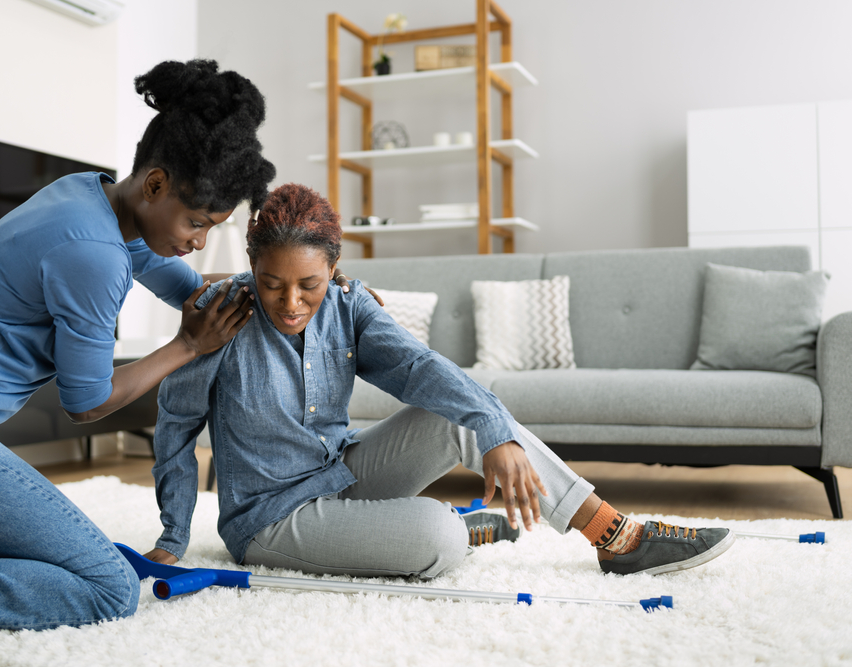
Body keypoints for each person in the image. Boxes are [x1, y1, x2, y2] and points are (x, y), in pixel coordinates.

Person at [0, 59, 278, 662]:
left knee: (39, 555)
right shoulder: (95, 253)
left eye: (212, 227)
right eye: (196, 222)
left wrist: (301, 285)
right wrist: (187, 346)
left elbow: (190, 288)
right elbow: (87, 402)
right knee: (103, 586)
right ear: (155, 185)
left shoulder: (95, 196)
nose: (199, 240)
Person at [146, 183, 735, 583]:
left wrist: (493, 428)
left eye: (310, 285)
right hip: (271, 518)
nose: (291, 302)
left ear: (334, 267)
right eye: (273, 283)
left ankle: (617, 535)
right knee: (438, 540)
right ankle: (459, 527)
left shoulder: (351, 304)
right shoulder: (218, 313)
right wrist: (174, 537)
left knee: (465, 411)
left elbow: (423, 369)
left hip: (343, 470)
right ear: (252, 266)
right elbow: (175, 426)